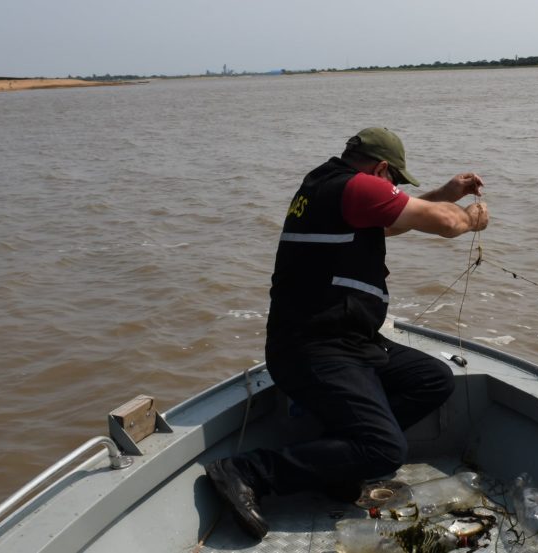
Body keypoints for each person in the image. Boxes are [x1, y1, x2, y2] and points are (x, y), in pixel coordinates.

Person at [205, 127, 489, 539]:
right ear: (381, 169)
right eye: (393, 182)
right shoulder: (355, 188)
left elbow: (393, 222)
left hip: (348, 340)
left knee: (432, 380)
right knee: (385, 449)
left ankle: (338, 464)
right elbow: (445, 225)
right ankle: (248, 470)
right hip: (314, 348)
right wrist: (470, 219)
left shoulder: (328, 185)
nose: (392, 190)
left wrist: (446, 192)